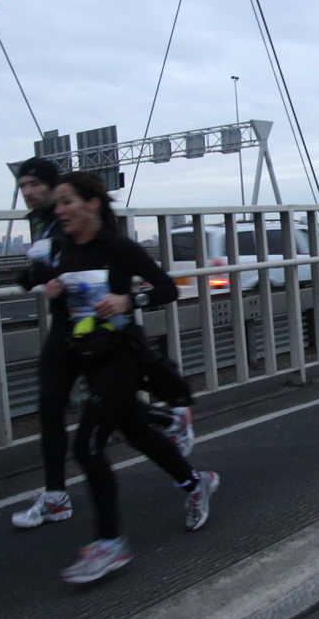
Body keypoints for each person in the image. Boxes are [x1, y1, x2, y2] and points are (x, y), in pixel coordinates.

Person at [19, 171, 219, 585]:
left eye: (67, 202)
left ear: (92, 204)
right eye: (57, 203)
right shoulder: (62, 248)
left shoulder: (118, 248)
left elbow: (167, 288)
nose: (59, 210)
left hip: (121, 357)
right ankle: (195, 483)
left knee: (87, 445)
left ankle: (110, 543)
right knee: (138, 433)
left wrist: (129, 299)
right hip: (87, 356)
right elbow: (35, 280)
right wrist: (52, 288)